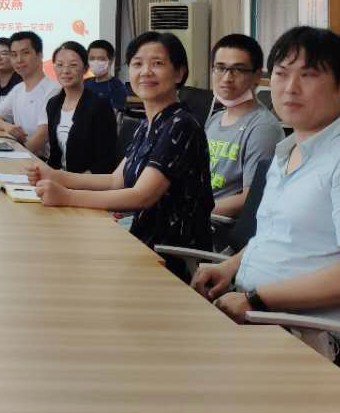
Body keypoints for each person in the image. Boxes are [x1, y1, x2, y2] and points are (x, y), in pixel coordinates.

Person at [191, 27, 340, 358]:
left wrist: (255, 299)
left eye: (308, 75)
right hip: (260, 313)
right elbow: (278, 236)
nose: (290, 88)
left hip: (310, 337)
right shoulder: (289, 150)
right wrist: (230, 266)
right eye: (281, 74)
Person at [21, 32, 214, 281]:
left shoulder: (180, 125)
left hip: (169, 254)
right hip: (140, 239)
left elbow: (141, 196)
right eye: (137, 64)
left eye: (157, 63)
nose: (145, 72)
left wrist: (67, 196)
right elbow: (115, 180)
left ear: (179, 73)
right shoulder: (149, 124)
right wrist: (56, 175)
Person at [205, 34, 284, 218]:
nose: (227, 78)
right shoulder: (215, 120)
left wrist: (193, 212)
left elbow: (250, 198)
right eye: (220, 68)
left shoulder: (262, 128)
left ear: (257, 75)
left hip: (218, 225)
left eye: (238, 70)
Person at [0, 31, 60, 156]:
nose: (19, 60)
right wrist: (7, 126)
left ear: (40, 55)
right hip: (25, 155)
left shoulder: (53, 90)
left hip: (44, 161)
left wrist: (13, 156)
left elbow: (42, 136)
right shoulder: (18, 89)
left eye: (25, 53)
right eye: (14, 55)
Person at [45, 41, 118, 174]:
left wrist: (75, 181)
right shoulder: (53, 104)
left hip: (87, 182)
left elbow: (107, 161)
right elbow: (55, 156)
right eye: (60, 65)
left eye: (73, 65)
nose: (65, 71)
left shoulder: (99, 106)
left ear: (85, 68)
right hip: (60, 178)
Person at [85, 39, 129, 111]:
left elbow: (112, 115)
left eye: (101, 59)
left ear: (111, 61)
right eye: (92, 59)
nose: (96, 62)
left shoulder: (117, 88)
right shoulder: (84, 83)